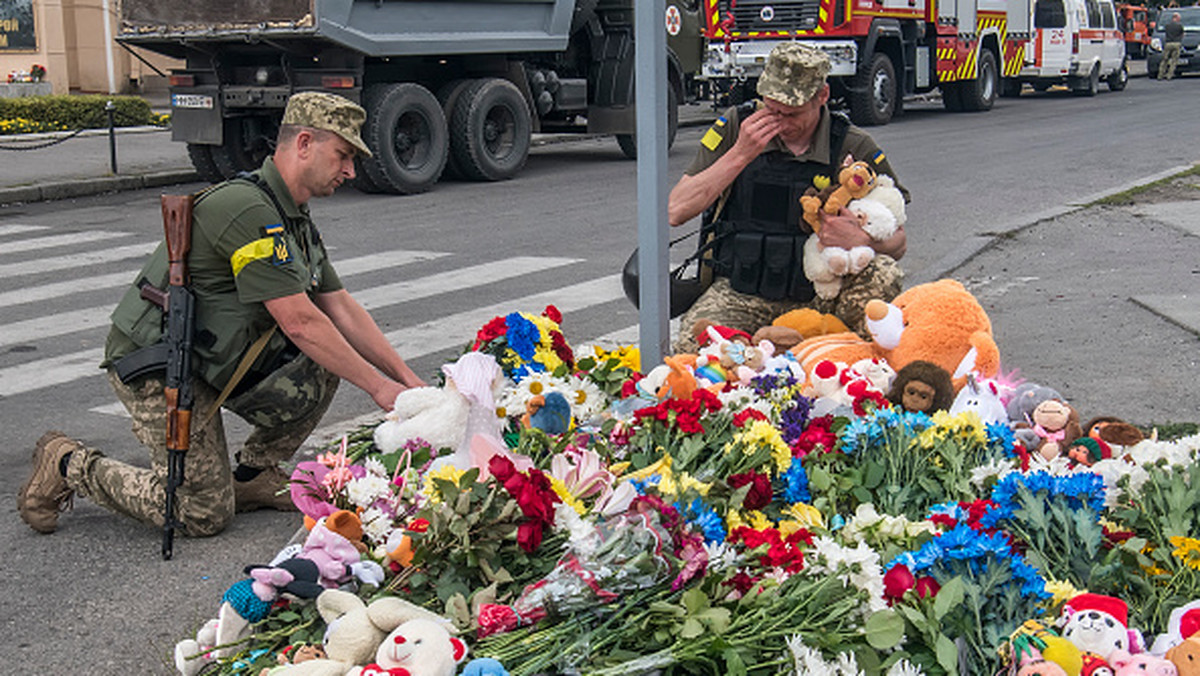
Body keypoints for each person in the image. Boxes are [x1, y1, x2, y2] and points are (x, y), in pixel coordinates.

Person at [17, 91, 426, 537]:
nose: (350, 170)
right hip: (157, 364)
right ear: (304, 143)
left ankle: (252, 476)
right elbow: (300, 322)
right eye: (343, 154)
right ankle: (66, 461)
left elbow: (339, 306)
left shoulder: (292, 216)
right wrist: (379, 388)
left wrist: (408, 382)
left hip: (214, 356)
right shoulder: (248, 208)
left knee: (326, 361)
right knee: (201, 514)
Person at [667, 43, 908, 354]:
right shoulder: (737, 128)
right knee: (694, 351)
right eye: (772, 108)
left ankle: (864, 378)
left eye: (792, 113)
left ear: (822, 96)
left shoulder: (852, 145)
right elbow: (677, 209)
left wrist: (863, 239)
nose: (780, 121)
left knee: (883, 275)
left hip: (820, 295)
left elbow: (899, 243)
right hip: (743, 290)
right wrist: (741, 154)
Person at [1159, 12, 1185, 80]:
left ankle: (1160, 75)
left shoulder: (1167, 25)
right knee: (1174, 60)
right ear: (1176, 17)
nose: (1179, 19)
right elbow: (1182, 34)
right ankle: (1169, 75)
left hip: (1168, 43)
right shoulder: (1179, 26)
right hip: (1176, 43)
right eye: (1179, 18)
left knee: (1165, 59)